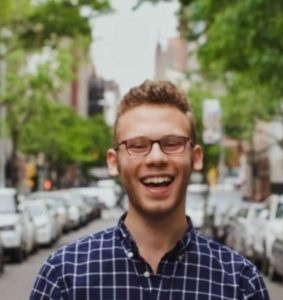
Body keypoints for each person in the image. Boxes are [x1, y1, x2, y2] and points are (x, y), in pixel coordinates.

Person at [30, 80, 270, 299]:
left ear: (196, 158)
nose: (156, 158)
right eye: (137, 145)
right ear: (114, 162)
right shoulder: (64, 277)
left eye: (173, 143)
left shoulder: (241, 284)